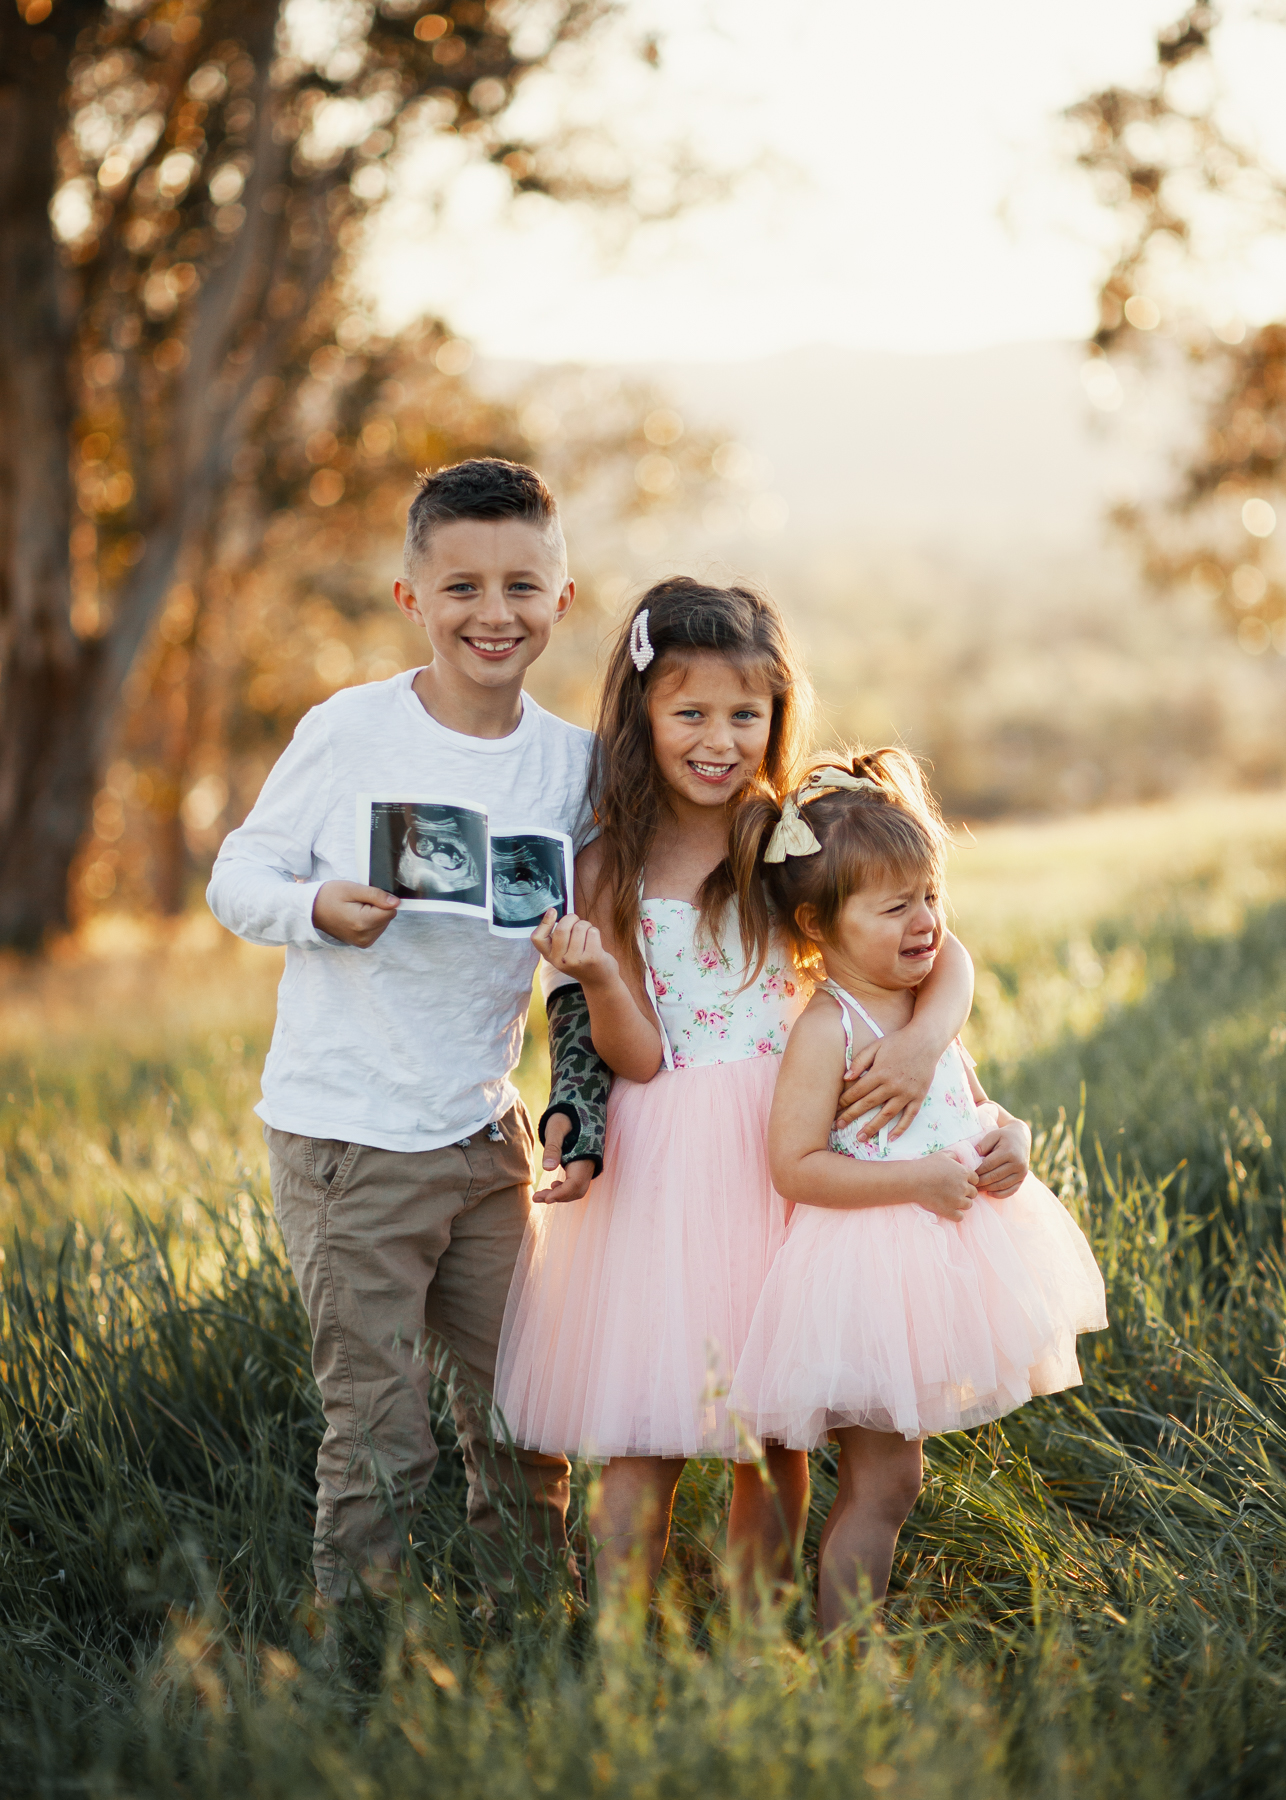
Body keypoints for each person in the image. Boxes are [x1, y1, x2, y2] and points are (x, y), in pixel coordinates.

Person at [495, 580, 979, 1603]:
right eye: (690, 713)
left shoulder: (789, 835)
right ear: (641, 717)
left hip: (791, 1139)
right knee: (645, 1432)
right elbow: (632, 1057)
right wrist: (601, 976)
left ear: (775, 715)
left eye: (743, 714)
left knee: (777, 1425)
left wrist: (927, 1039)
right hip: (667, 1163)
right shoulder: (606, 867)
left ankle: (755, 1629)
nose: (718, 738)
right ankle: (622, 1643)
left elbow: (924, 938)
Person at [206, 458, 598, 1605]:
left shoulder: (571, 763)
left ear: (562, 601)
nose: (493, 613)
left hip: (485, 1138)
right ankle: (358, 1658)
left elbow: (594, 931)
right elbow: (238, 872)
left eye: (521, 586)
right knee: (380, 1431)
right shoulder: (349, 731)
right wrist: (313, 911)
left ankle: (527, 1616)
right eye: (462, 587)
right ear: (409, 599)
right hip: (348, 1143)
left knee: (523, 1407)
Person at [729, 753, 1108, 1636]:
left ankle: (845, 1640)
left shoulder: (921, 1015)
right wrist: (916, 1181)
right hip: (866, 1278)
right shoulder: (828, 1030)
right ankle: (845, 1649)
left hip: (937, 1263)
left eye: (930, 897)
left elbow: (975, 1108)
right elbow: (795, 1166)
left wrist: (1010, 1138)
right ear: (819, 924)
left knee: (895, 1478)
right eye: (895, 907)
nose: (925, 922)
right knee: (889, 1479)